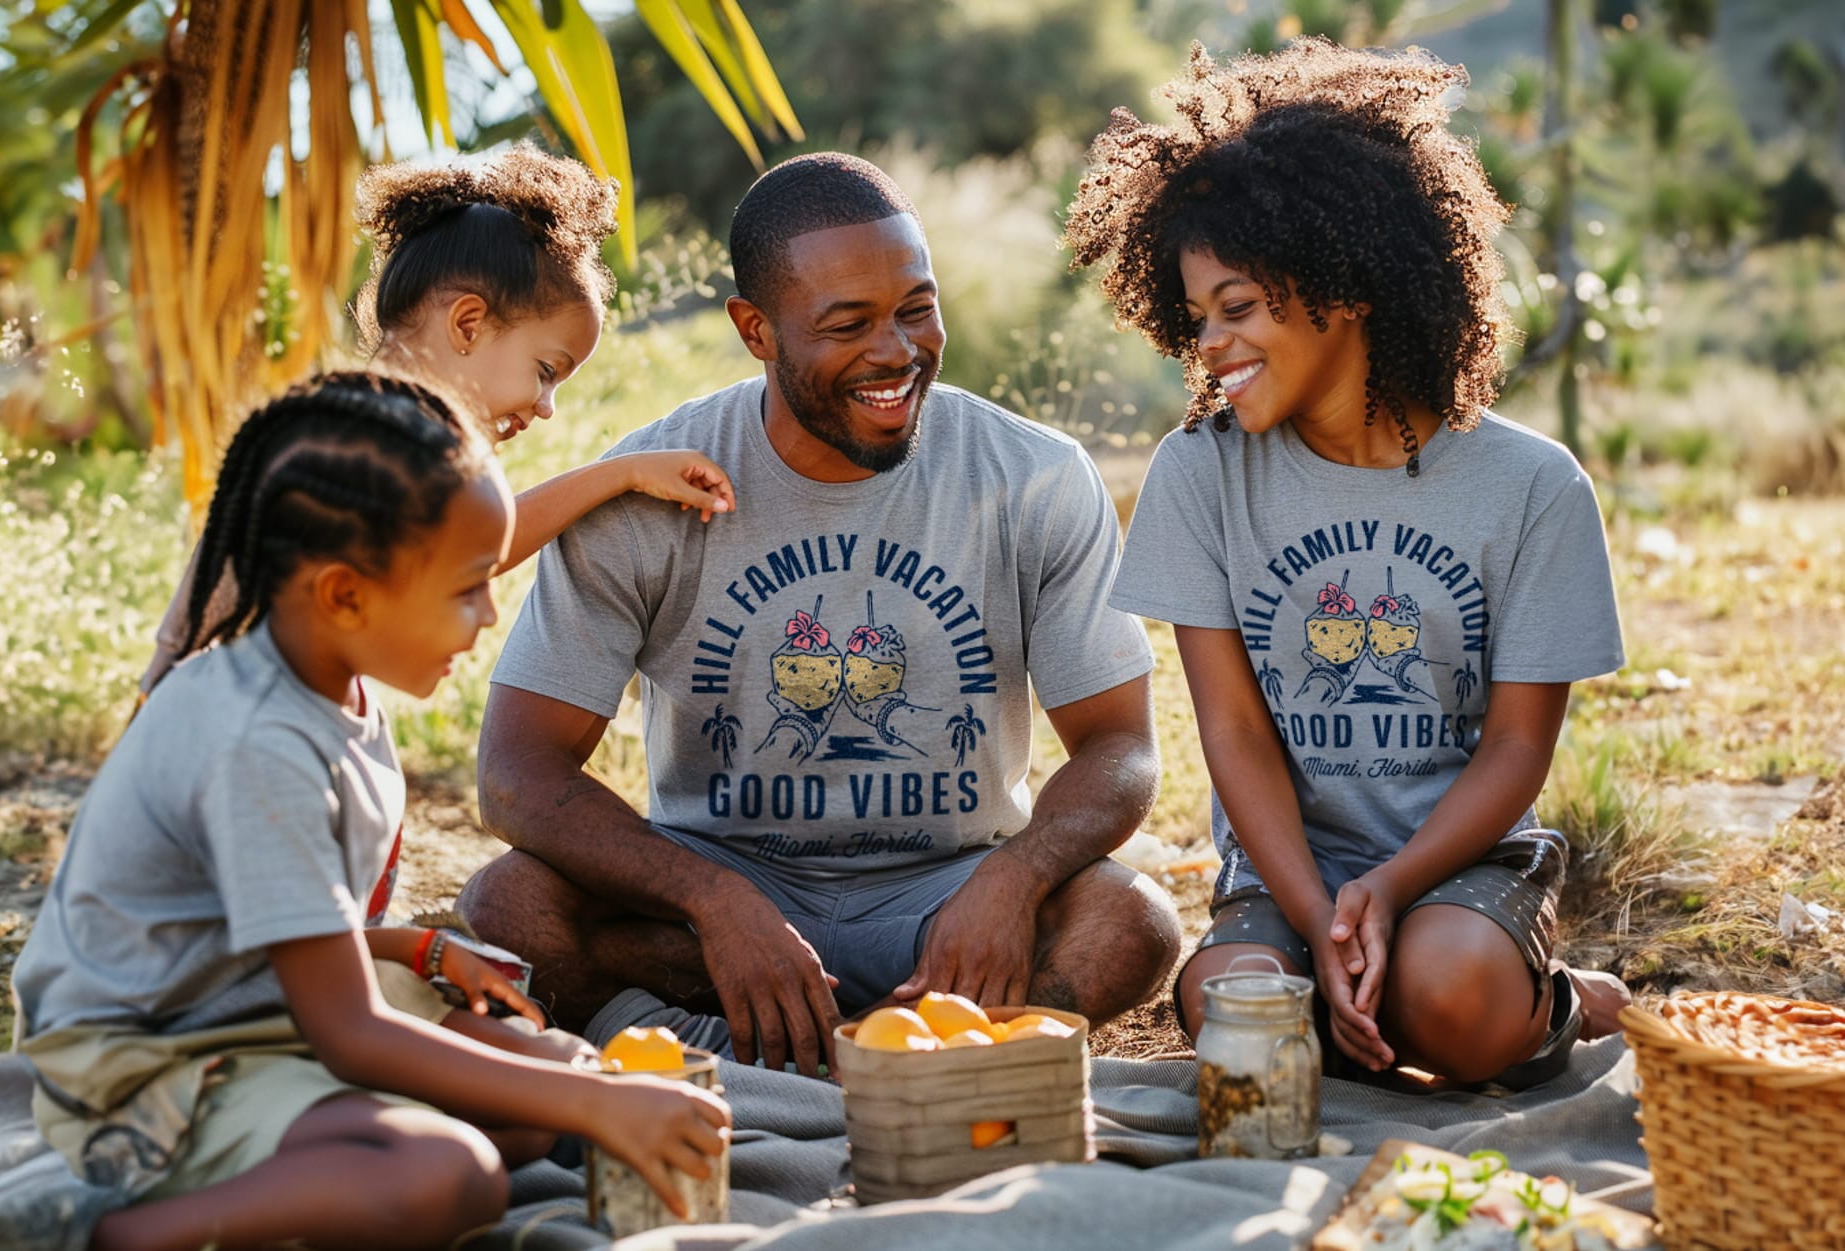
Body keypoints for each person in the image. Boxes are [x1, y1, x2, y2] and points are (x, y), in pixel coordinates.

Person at [456, 153, 1184, 1079]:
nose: (895, 351)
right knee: (509, 909)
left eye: (916, 308)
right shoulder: (651, 483)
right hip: (716, 904)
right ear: (755, 331)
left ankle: (827, 1051)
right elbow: (517, 774)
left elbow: (1120, 746)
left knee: (1129, 924)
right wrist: (712, 899)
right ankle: (871, 1054)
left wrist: (1016, 875)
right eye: (847, 324)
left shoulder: (1033, 473)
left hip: (942, 896)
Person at [12, 374, 732, 1251]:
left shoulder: (333, 683)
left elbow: (272, 926)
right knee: (447, 1173)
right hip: (154, 1070)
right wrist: (602, 1103)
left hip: (257, 1019)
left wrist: (414, 948)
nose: (490, 612)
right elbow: (350, 1031)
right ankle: (106, 1231)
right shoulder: (257, 741)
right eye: (468, 587)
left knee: (550, 1075)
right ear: (347, 595)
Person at [1066, 40, 1631, 1088]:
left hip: (1459, 862)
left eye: (1236, 308)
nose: (1211, 348)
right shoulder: (1199, 474)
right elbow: (1232, 732)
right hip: (1287, 868)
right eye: (1196, 321)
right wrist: (1320, 916)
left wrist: (1388, 889)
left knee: (1447, 1004)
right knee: (1236, 1019)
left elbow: (1514, 750)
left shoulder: (1530, 487)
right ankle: (1372, 985)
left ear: (1348, 286)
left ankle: (1560, 999)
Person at [139, 144, 735, 697]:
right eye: (547, 370)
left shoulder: (360, 415)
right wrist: (619, 475)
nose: (546, 406)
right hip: (226, 715)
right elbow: (474, 545)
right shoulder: (367, 435)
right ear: (468, 324)